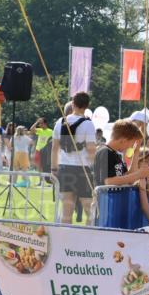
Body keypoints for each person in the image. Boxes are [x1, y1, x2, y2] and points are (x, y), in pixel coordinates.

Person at [51, 94, 97, 224]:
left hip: (64, 168)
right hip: (82, 169)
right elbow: (91, 149)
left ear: (73, 104)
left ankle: (65, 236)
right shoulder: (88, 124)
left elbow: (54, 148)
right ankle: (89, 235)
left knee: (67, 211)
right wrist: (94, 168)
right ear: (87, 106)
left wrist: (53, 169)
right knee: (89, 209)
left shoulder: (60, 122)